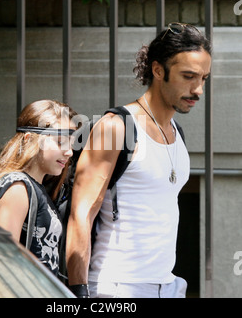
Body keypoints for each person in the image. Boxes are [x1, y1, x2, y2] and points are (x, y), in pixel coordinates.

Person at [66, 23, 212, 298]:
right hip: (116, 287)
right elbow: (81, 215)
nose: (198, 90)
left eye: (203, 78)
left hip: (168, 286)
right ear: (158, 70)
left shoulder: (177, 133)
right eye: (188, 76)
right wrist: (79, 293)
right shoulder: (116, 127)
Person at [0, 99, 78, 277]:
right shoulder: (18, 188)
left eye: (71, 143)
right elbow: (3, 263)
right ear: (29, 139)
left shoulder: (35, 188)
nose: (69, 151)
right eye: (60, 141)